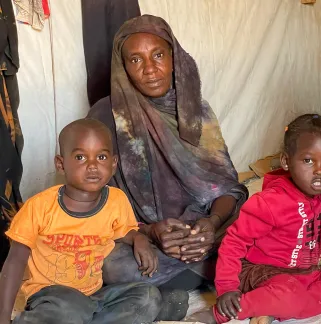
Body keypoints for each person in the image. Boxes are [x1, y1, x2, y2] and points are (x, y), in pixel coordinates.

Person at [87, 15, 248, 320]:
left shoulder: (196, 109)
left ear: (175, 58)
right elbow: (95, 202)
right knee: (111, 265)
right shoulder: (104, 116)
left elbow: (228, 186)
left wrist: (212, 226)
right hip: (141, 233)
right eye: (136, 59)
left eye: (158, 55)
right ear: (124, 67)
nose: (150, 69)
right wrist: (149, 231)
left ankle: (174, 281)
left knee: (258, 231)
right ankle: (201, 275)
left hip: (203, 228)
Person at [189, 115, 321, 324]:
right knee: (289, 293)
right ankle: (222, 313)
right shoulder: (270, 202)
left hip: (304, 273)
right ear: (286, 161)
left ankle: (273, 306)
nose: (320, 171)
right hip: (260, 272)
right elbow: (233, 243)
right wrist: (227, 288)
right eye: (308, 161)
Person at [0, 119, 161, 324]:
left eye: (101, 157)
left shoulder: (116, 200)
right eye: (80, 157)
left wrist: (139, 238)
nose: (92, 165)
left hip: (92, 296)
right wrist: (3, 317)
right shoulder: (39, 207)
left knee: (148, 297)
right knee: (70, 310)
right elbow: (15, 261)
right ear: (61, 164)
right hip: (51, 298)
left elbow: (124, 231)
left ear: (113, 164)